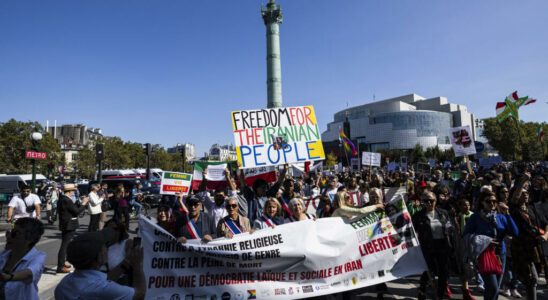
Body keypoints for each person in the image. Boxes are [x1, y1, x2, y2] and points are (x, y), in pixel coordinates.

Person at [54, 228, 145, 300]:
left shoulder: (64, 285)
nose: (107, 247)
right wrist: (138, 265)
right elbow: (139, 294)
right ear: (99, 257)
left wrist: (127, 262)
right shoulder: (102, 288)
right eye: (104, 246)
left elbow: (107, 279)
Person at [463, 190, 518, 300]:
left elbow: (514, 232)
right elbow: (466, 235)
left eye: (494, 201)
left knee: (494, 287)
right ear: (482, 202)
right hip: (484, 254)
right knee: (493, 288)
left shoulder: (501, 217)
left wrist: (507, 213)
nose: (492, 204)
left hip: (500, 254)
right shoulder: (475, 217)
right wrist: (486, 240)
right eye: (488, 201)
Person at [510, 173, 547, 300]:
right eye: (522, 193)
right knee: (531, 279)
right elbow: (515, 198)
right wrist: (523, 181)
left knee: (535, 279)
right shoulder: (515, 210)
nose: (525, 194)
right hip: (522, 247)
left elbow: (545, 224)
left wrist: (546, 235)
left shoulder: (533, 208)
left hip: (536, 246)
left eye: (527, 193)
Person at [412, 191, 455, 300]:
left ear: (435, 201)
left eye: (431, 201)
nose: (429, 203)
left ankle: (439, 295)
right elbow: (412, 232)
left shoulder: (443, 213)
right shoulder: (418, 216)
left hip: (443, 246)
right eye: (426, 201)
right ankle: (422, 290)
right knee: (429, 270)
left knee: (443, 273)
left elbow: (450, 227)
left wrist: (451, 231)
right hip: (428, 247)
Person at [0, 218, 45, 300]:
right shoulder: (3, 254)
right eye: (9, 232)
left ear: (29, 239)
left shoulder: (37, 257)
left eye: (15, 234)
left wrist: (8, 277)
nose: (9, 236)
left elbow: (29, 272)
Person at [57, 183, 88, 274]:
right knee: (65, 246)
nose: (73, 193)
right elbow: (77, 211)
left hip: (66, 224)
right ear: (70, 191)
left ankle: (62, 263)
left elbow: (72, 209)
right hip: (69, 225)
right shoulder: (66, 200)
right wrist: (83, 203)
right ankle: (60, 266)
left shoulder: (63, 199)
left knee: (65, 245)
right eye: (73, 191)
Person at [101, 218, 134, 286]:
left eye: (115, 229)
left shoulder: (126, 243)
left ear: (121, 231)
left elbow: (132, 264)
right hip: (99, 283)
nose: (111, 231)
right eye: (108, 229)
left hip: (118, 283)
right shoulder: (100, 245)